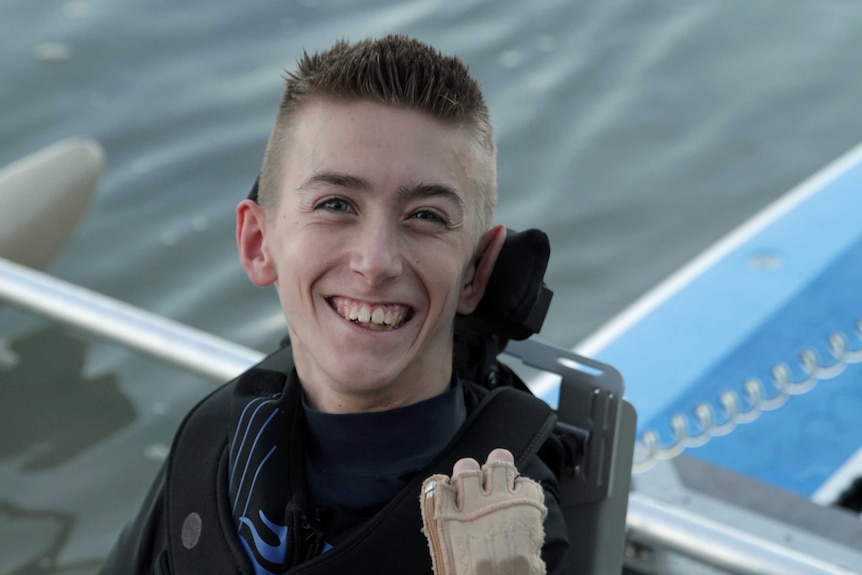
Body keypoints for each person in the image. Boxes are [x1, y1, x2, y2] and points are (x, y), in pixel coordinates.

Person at [100, 34, 568, 575]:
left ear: (476, 272)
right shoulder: (218, 443)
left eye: (427, 216)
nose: (375, 262)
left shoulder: (515, 523)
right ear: (259, 243)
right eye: (336, 204)